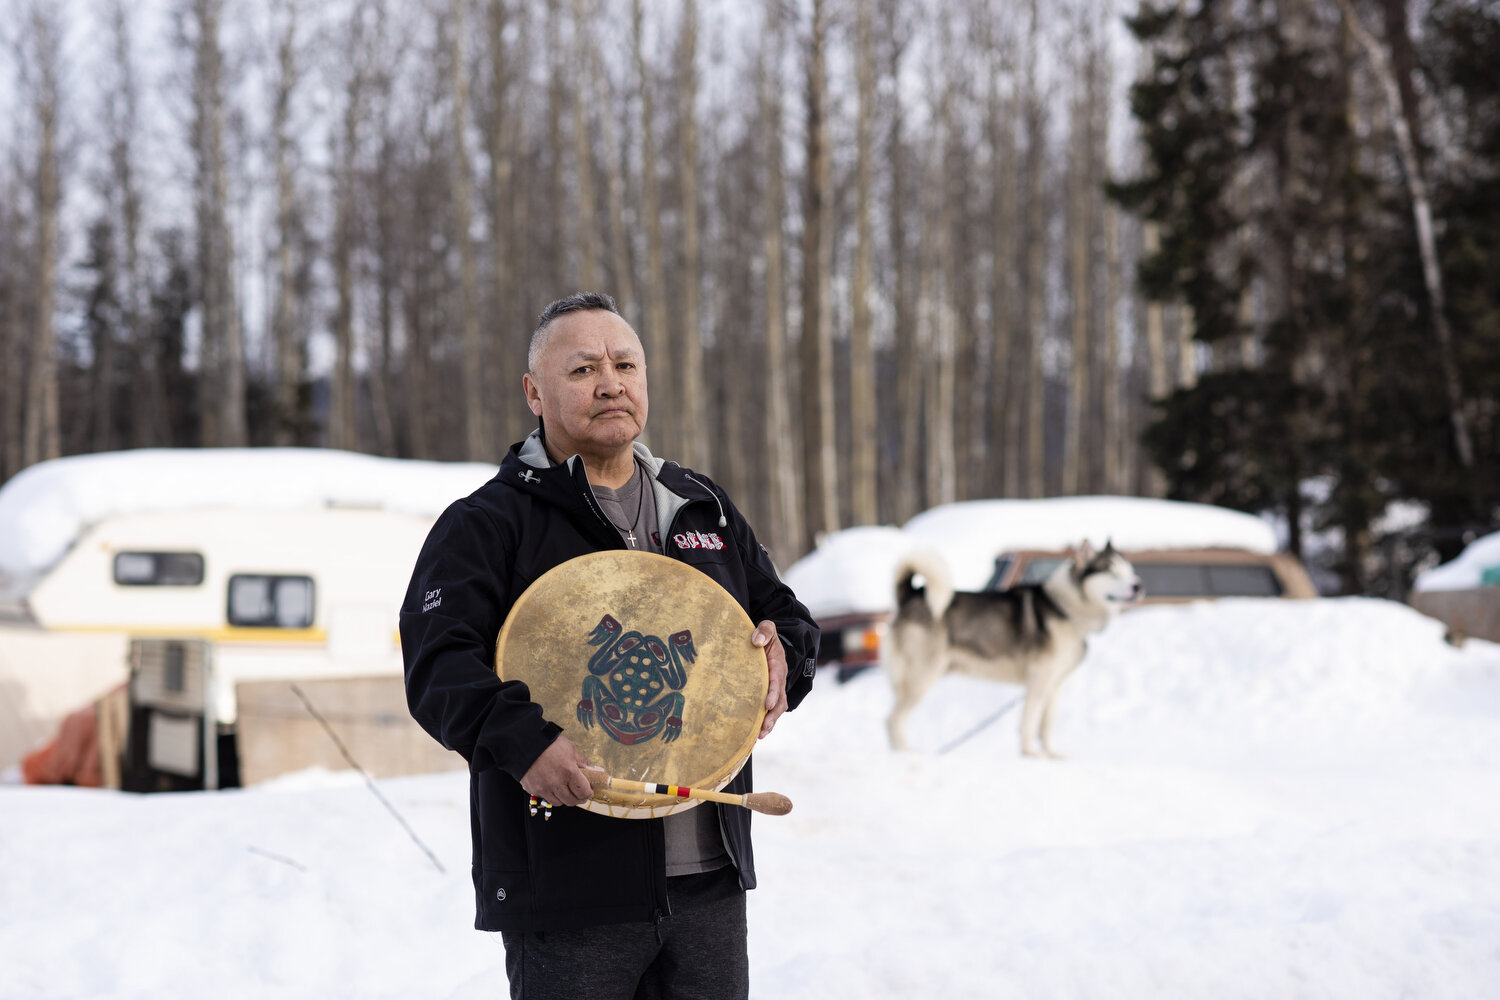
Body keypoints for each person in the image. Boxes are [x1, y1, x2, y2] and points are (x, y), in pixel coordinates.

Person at [400, 291, 819, 1000]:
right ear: (535, 392)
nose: (611, 382)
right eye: (584, 368)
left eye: (625, 364)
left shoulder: (701, 506)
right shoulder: (487, 524)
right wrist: (524, 743)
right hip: (569, 886)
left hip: (708, 879)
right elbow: (437, 663)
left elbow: (785, 616)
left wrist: (786, 659)